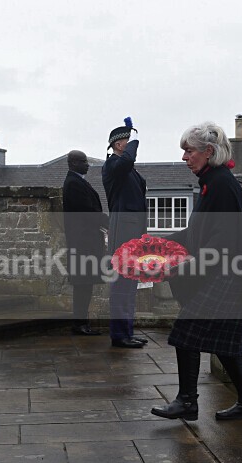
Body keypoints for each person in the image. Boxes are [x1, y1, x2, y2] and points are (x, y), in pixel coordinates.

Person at [152, 121, 242, 422]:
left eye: (189, 151)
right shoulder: (211, 181)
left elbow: (222, 242)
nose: (184, 157)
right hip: (226, 272)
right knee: (226, 346)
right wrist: (157, 243)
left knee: (187, 333)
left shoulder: (222, 184)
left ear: (208, 151)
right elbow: (196, 233)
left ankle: (187, 401)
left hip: (229, 274)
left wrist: (183, 265)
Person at [102, 118, 148, 349]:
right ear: (118, 144)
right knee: (122, 287)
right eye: (127, 140)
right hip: (123, 235)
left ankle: (126, 332)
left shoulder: (126, 168)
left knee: (130, 286)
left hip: (134, 234)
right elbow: (127, 160)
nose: (130, 144)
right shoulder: (113, 166)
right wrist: (135, 138)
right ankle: (120, 335)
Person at [63, 150, 108, 335]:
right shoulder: (74, 184)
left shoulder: (78, 181)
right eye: (84, 162)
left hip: (85, 241)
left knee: (85, 284)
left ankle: (82, 323)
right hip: (82, 243)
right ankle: (80, 324)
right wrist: (110, 223)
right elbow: (88, 212)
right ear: (74, 163)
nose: (88, 164)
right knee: (83, 284)